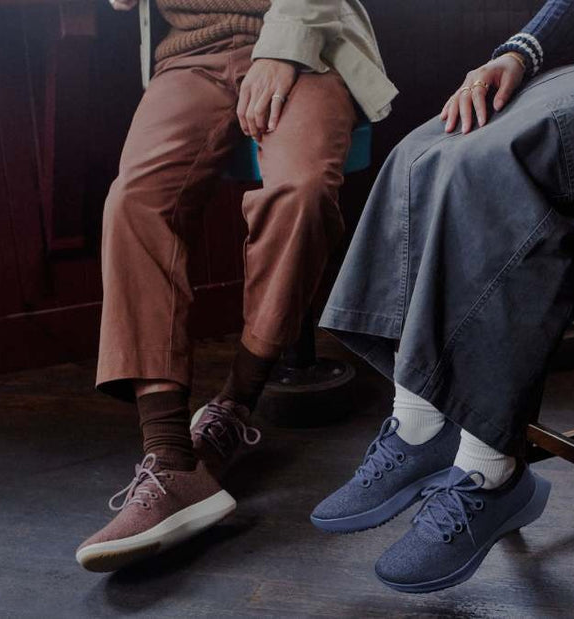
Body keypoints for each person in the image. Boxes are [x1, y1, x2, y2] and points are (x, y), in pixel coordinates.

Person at [311, 0, 574, 593]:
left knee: (497, 159)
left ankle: (490, 471)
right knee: (425, 149)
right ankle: (419, 424)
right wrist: (519, 51)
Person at [76, 0, 397, 572]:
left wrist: (281, 52)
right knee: (131, 203)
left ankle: (235, 406)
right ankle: (169, 455)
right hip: (188, 56)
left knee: (299, 193)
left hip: (307, 45)